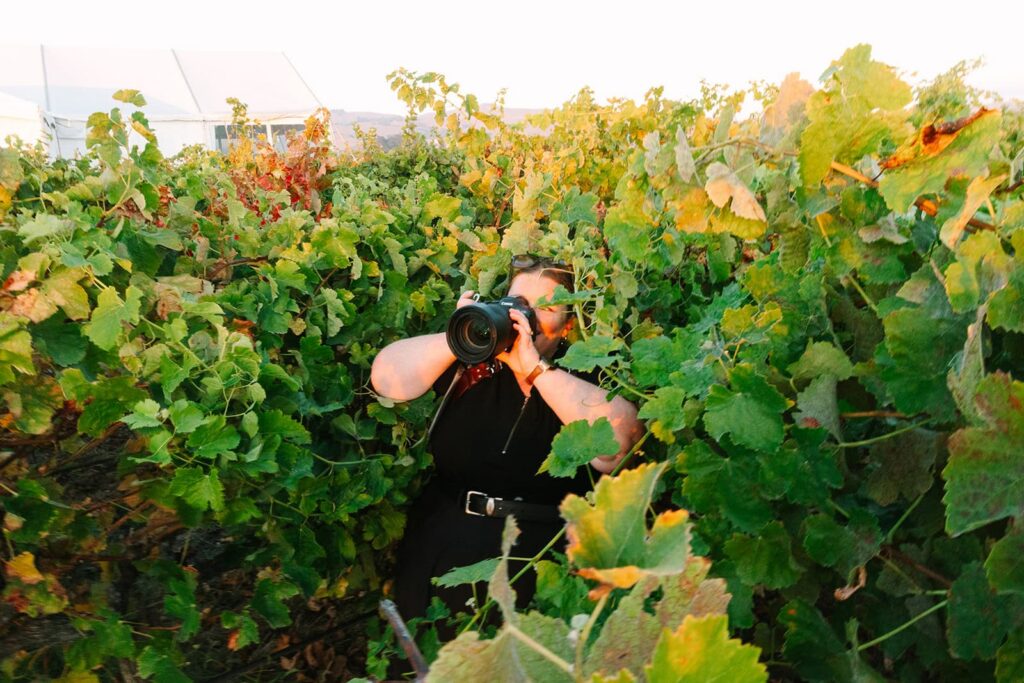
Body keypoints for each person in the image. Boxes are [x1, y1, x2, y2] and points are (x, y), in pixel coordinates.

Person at [370, 255, 643, 631]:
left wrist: (534, 368)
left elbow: (618, 445)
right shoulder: (474, 361)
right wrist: (457, 336)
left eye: (544, 308)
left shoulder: (582, 371)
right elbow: (386, 379)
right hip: (440, 539)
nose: (524, 316)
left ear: (567, 327)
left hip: (532, 562)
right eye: (516, 303)